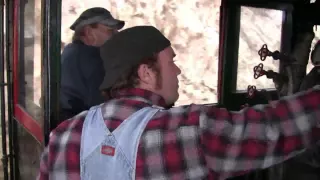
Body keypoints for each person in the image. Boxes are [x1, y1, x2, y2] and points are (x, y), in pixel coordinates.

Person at [38, 26, 320, 180]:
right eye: (171, 61)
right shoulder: (189, 131)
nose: (178, 71)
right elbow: (275, 128)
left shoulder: (63, 137)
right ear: (146, 74)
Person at [59, 7, 125, 122]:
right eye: (110, 31)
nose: (117, 35)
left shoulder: (70, 52)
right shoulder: (92, 58)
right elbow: (104, 110)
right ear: (89, 33)